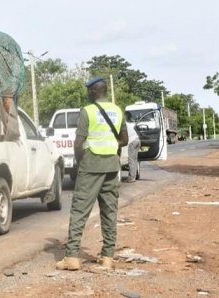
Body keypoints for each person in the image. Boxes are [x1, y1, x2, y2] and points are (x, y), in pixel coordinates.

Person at [56, 77, 127, 271]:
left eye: (89, 91)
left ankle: (71, 256)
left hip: (91, 165)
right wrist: (110, 145)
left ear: (94, 92)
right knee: (109, 211)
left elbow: (78, 143)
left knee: (80, 210)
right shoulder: (117, 111)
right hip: (112, 166)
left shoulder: (87, 111)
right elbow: (124, 140)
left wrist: (80, 161)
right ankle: (107, 257)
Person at [124, 115, 141, 183]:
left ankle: (131, 178)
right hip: (137, 140)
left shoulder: (123, 125)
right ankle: (133, 176)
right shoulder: (128, 124)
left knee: (131, 160)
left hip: (132, 142)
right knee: (134, 159)